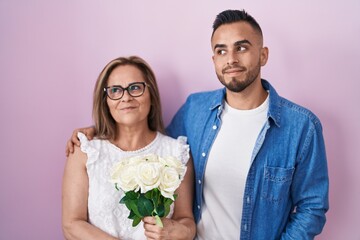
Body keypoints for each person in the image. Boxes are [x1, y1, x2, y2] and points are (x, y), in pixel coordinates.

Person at [66, 10, 329, 239]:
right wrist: (97, 132)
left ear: (263, 55)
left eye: (242, 47)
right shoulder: (195, 110)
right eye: (221, 50)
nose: (231, 59)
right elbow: (150, 147)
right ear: (213, 59)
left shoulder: (301, 127)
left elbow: (312, 207)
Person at [62, 56, 196, 240]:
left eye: (135, 88)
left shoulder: (177, 153)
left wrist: (183, 231)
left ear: (151, 94)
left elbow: (186, 219)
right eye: (115, 90)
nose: (126, 97)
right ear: (106, 100)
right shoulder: (85, 152)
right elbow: (72, 224)